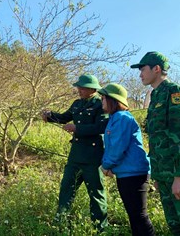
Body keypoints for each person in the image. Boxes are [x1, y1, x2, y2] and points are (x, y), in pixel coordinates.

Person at [130, 51, 180, 235]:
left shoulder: (174, 92)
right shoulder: (155, 96)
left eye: (143, 69)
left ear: (157, 68)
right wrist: (158, 175)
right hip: (165, 176)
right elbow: (157, 139)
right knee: (175, 228)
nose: (140, 74)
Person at [42, 74, 109, 232]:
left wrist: (77, 129)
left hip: (93, 157)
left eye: (82, 87)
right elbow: (64, 117)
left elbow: (101, 127)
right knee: (66, 189)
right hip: (75, 156)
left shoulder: (101, 104)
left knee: (96, 194)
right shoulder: (77, 104)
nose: (79, 90)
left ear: (92, 89)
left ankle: (100, 228)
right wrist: (50, 116)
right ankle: (60, 225)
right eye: (79, 87)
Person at [98, 83, 155, 236]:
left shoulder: (121, 118)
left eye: (103, 98)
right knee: (134, 216)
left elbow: (117, 147)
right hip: (127, 173)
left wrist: (106, 166)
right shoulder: (115, 118)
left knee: (139, 216)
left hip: (134, 174)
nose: (101, 101)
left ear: (112, 100)